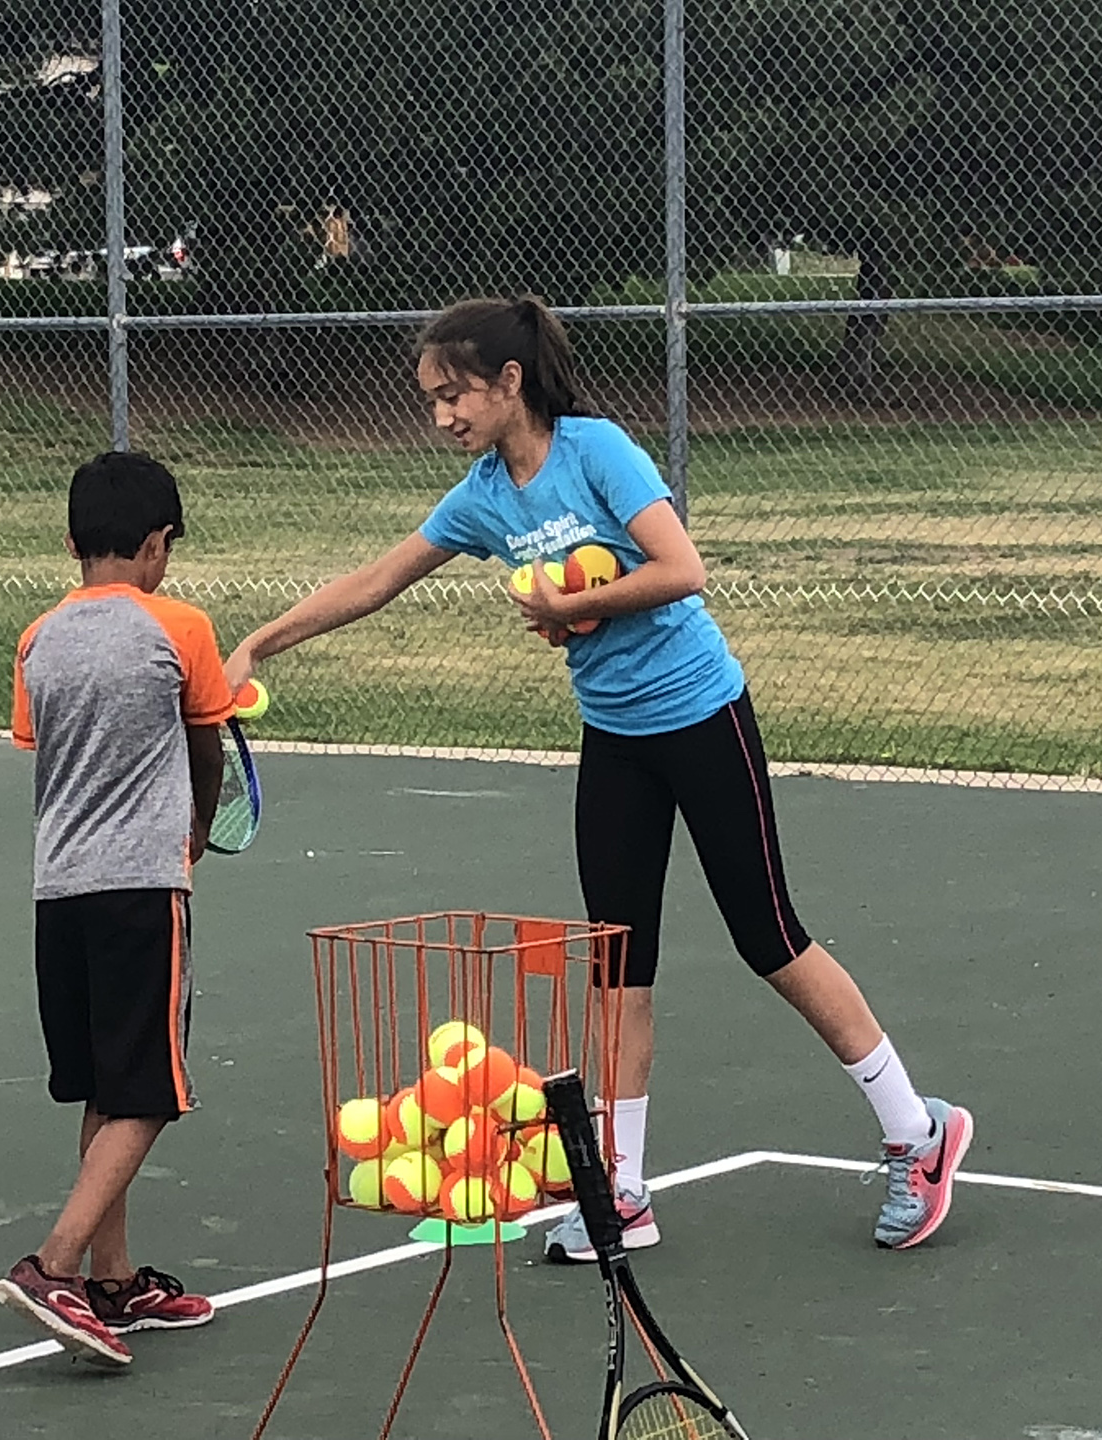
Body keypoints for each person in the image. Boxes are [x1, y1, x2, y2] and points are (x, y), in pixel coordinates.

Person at [223, 296, 974, 1258]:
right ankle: (620, 1192)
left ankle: (917, 1132)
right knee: (617, 963)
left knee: (770, 937)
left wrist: (571, 603)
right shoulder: (483, 497)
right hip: (615, 739)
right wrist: (259, 644)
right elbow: (376, 580)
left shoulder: (597, 450)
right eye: (431, 400)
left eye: (454, 395)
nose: (442, 416)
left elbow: (683, 569)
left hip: (702, 717)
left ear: (510, 382)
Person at [0, 450, 231, 1365]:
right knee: (151, 1093)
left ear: (71, 543)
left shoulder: (36, 640)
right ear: (158, 543)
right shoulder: (183, 627)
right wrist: (199, 826)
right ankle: (54, 1265)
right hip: (141, 887)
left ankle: (112, 1280)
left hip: (59, 892)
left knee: (105, 1082)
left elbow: (44, 745)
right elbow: (206, 743)